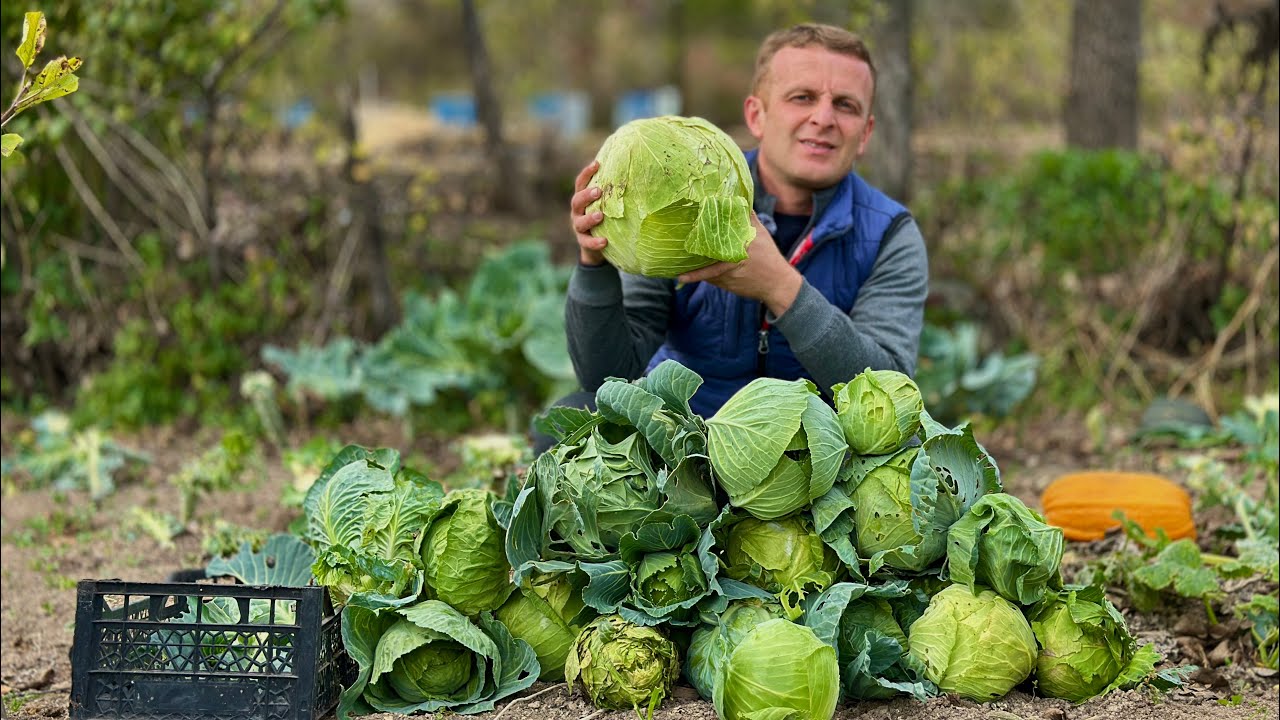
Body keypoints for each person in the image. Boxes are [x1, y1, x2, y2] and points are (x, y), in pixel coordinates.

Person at [539, 22, 928, 452]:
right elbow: (608, 378)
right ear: (756, 115)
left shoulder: (890, 234)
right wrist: (594, 264)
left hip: (812, 460)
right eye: (802, 97)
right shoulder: (684, 194)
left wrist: (782, 288)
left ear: (866, 133)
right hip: (684, 444)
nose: (823, 118)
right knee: (565, 428)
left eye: (846, 105)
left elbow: (888, 397)